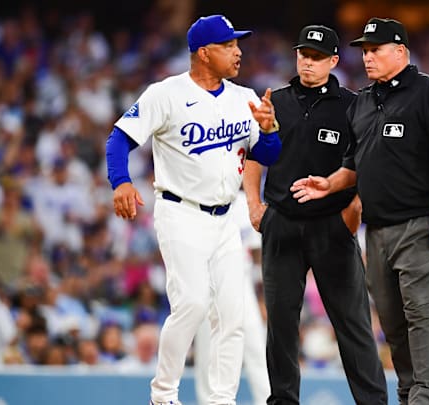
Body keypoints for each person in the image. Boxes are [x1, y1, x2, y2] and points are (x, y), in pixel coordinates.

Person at [105, 14, 282, 405]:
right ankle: (164, 393)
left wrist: (268, 130)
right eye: (228, 45)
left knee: (232, 316)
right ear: (204, 53)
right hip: (180, 212)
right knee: (193, 304)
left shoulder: (245, 97)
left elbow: (266, 154)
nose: (238, 52)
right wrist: (121, 182)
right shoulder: (165, 93)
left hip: (225, 220)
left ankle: (221, 399)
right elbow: (119, 139)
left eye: (238, 44)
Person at [290, 17, 429, 404]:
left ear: (400, 51)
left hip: (423, 226)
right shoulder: (365, 101)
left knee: (423, 322)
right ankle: (410, 397)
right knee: (395, 326)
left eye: (375, 50)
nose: (367, 57)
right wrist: (329, 183)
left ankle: (426, 398)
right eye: (364, 51)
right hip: (380, 231)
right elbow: (354, 165)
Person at [244, 24, 387, 404]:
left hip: (331, 224)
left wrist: (352, 213)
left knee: (353, 324)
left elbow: (365, 165)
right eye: (304, 54)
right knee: (281, 325)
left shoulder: (353, 105)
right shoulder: (277, 101)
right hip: (282, 223)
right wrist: (255, 206)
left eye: (318, 57)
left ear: (334, 61)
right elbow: (254, 157)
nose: (308, 62)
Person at [195, 188, 270, 405]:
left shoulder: (245, 202)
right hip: (207, 281)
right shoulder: (199, 196)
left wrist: (263, 299)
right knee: (208, 351)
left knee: (256, 345)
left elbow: (258, 257)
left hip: (241, 281)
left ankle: (266, 400)